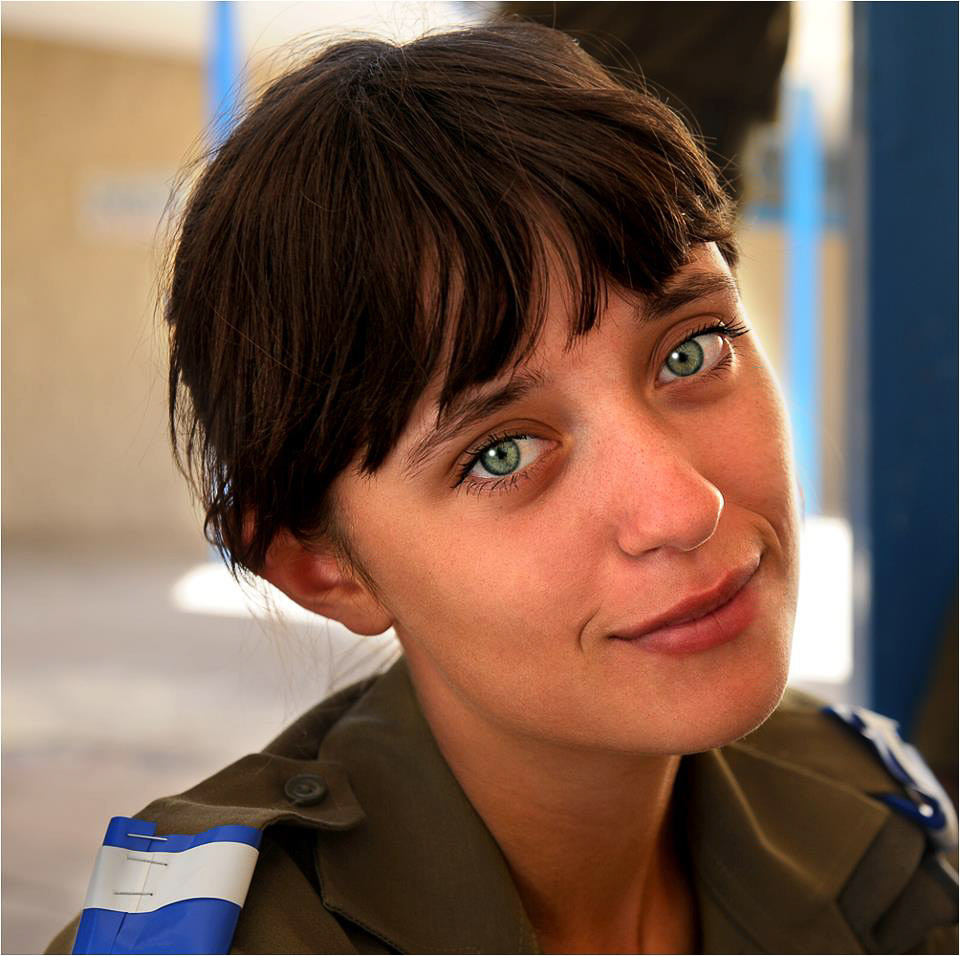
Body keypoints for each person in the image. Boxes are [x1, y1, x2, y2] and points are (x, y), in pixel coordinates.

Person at [47, 21, 957, 955]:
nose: (685, 509)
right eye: (502, 453)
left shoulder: (867, 818)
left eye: (691, 351)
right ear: (323, 567)